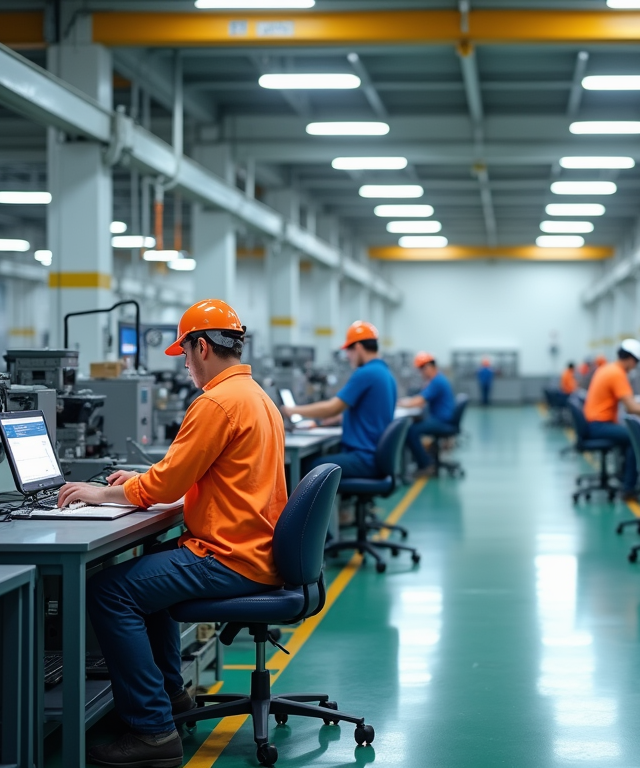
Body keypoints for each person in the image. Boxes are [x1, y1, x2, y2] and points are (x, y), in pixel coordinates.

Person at [56, 299, 287, 768]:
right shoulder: (257, 397)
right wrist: (142, 485)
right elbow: (216, 478)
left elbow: (165, 483)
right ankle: (170, 697)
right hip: (253, 546)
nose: (184, 365)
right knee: (149, 573)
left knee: (109, 592)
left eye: (184, 354)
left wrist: (103, 494)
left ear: (202, 347)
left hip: (230, 556)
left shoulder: (217, 402)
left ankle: (153, 731)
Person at [281, 320, 396, 479]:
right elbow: (366, 414)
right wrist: (320, 423)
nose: (347, 356)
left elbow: (333, 407)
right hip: (373, 455)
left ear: (357, 347)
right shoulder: (386, 374)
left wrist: (292, 410)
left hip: (363, 458)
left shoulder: (366, 373)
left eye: (348, 351)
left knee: (305, 467)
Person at [582, 339, 640, 499]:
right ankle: (629, 488)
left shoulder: (608, 368)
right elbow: (632, 408)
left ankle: (627, 479)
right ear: (631, 359)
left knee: (631, 436)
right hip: (599, 425)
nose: (636, 366)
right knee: (636, 439)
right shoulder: (617, 373)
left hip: (593, 423)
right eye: (636, 362)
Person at [399, 351, 456, 477]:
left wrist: (398, 404)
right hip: (441, 419)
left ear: (429, 367)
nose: (421, 373)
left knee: (411, 431)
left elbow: (420, 401)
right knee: (414, 426)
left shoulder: (437, 381)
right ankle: (423, 459)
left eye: (422, 369)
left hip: (442, 421)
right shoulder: (437, 379)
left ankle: (426, 464)